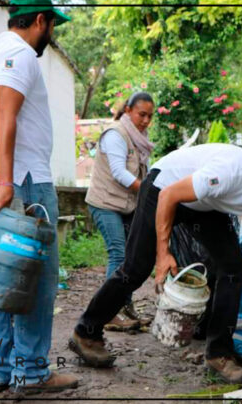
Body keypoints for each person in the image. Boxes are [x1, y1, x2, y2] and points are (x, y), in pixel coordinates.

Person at [69, 143, 242, 383]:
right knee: (135, 269)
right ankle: (86, 332)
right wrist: (163, 254)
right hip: (164, 188)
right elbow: (169, 196)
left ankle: (219, 354)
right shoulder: (231, 172)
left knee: (232, 266)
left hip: (205, 206)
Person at [0, 0, 78, 394]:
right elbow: (6, 114)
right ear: (39, 21)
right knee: (37, 280)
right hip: (22, 182)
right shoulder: (20, 53)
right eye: (52, 24)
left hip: (1, 177)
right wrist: (6, 181)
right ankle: (31, 373)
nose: (52, 33)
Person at [84, 92, 155, 331]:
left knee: (132, 256)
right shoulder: (116, 134)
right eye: (141, 114)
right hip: (104, 203)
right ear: (128, 110)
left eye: (150, 116)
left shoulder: (139, 138)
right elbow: (119, 172)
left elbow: (145, 171)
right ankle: (107, 314)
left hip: (127, 205)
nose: (146, 121)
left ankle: (124, 307)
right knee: (118, 253)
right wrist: (148, 191)